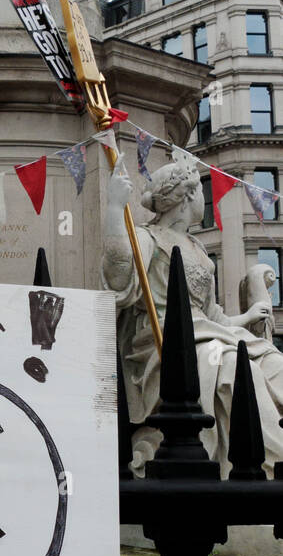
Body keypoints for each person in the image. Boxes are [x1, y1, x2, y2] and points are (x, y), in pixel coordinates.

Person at [103, 160, 283, 476]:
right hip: (165, 337)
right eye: (201, 189)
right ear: (188, 195)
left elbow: (213, 314)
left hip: (208, 331)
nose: (205, 197)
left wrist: (247, 316)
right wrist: (115, 209)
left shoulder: (197, 246)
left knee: (275, 363)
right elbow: (118, 275)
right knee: (237, 369)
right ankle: (268, 466)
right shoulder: (148, 237)